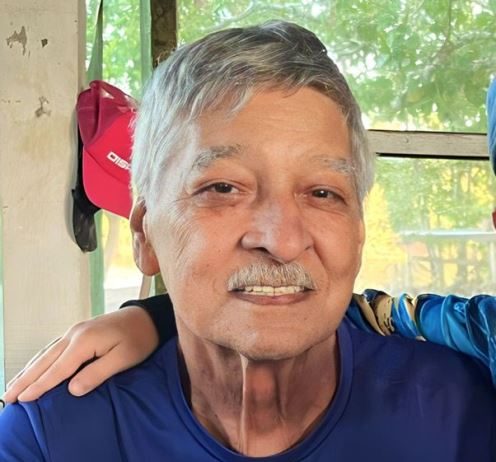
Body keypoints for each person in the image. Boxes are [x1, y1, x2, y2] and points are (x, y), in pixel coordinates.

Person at [1, 21, 495, 461]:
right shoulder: (50, 438)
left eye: (323, 192)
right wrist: (155, 317)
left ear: (358, 234)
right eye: (222, 188)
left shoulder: (465, 415)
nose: (282, 240)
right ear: (145, 233)